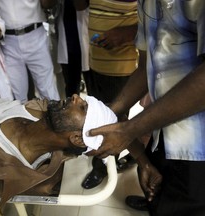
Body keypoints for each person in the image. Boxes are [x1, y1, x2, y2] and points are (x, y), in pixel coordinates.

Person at [0, 89, 161, 211]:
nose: (75, 96)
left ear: (76, 138)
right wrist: (144, 162)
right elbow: (114, 135)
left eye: (83, 108)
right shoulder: (45, 114)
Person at [86, 1, 205, 215]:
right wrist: (111, 113)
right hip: (164, 132)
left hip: (199, 146)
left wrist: (128, 130)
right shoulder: (147, 3)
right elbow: (148, 65)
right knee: (157, 197)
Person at [73, 0, 139, 189]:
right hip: (95, 61)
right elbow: (81, 6)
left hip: (120, 65)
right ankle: (129, 155)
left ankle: (102, 167)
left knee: (111, 120)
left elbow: (154, 20)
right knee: (100, 115)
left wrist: (126, 34)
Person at [0, 0, 60, 103]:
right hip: (7, 40)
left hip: (35, 35)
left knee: (48, 91)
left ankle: (57, 118)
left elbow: (48, 3)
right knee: (16, 96)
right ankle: (22, 118)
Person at [57, 0, 89, 97]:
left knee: (94, 91)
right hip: (68, 44)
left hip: (88, 43)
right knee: (71, 91)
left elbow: (80, 5)